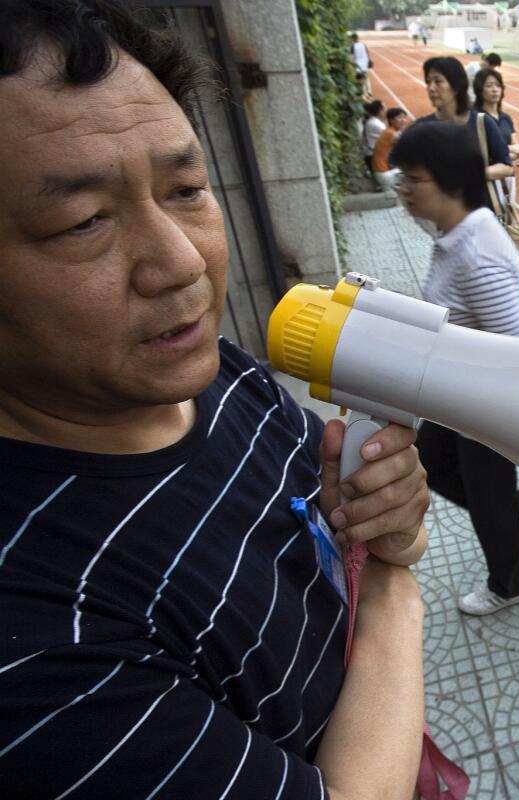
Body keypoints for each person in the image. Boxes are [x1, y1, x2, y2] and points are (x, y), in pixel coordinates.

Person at [0, 2, 432, 797]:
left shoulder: (213, 372)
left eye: (187, 188)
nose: (180, 262)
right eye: (84, 221)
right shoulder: (33, 649)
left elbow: (335, 515)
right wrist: (397, 592)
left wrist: (374, 516)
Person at [389, 123, 519, 616]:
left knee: (486, 495)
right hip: (456, 394)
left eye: (412, 179)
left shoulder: (478, 255)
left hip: (485, 402)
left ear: (451, 182)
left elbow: (513, 352)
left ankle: (508, 582)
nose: (403, 190)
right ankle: (513, 508)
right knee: (432, 462)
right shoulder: (456, 232)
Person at [417, 56, 512, 184]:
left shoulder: (482, 122)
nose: (431, 88)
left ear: (456, 85)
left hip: (478, 202)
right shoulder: (421, 128)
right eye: (428, 82)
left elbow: (506, 166)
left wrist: (471, 174)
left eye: (438, 81)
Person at [473, 66, 518, 162]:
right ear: (480, 90)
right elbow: (481, 153)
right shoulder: (476, 118)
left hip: (507, 175)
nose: (495, 89)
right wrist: (508, 151)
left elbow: (516, 152)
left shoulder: (506, 118)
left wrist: (500, 154)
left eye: (498, 85)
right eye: (489, 85)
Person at [371, 106, 410, 194]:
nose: (403, 120)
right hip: (385, 173)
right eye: (400, 117)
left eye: (404, 117)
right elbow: (407, 145)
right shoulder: (391, 134)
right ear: (391, 121)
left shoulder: (389, 131)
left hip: (383, 171)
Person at [361, 99, 387, 176]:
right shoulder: (377, 124)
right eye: (384, 109)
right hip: (374, 157)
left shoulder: (373, 121)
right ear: (379, 111)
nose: (385, 111)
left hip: (371, 155)